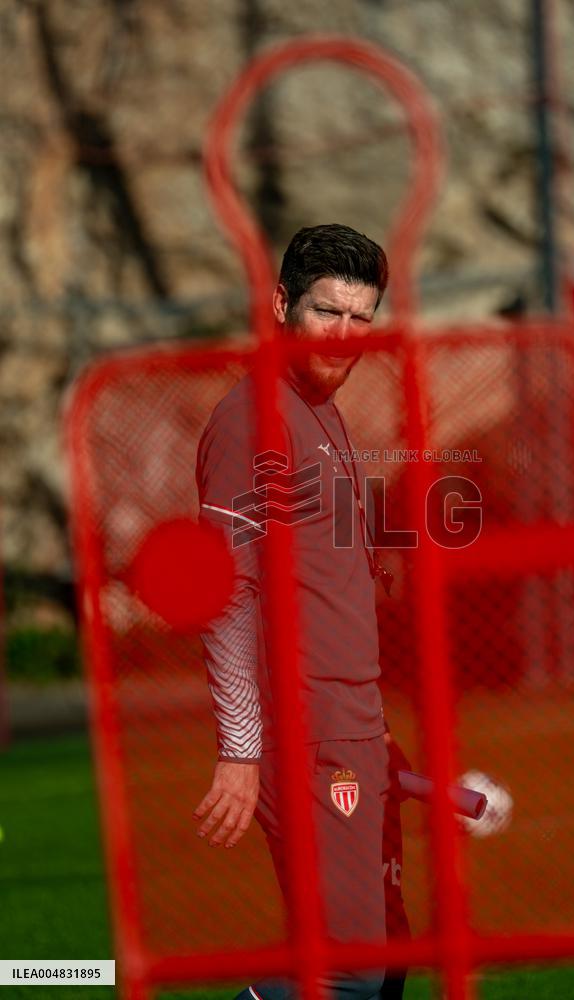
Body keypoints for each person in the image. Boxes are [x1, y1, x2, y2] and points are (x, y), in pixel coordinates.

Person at [193, 224, 409, 1000]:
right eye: (327, 312)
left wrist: (376, 728)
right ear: (281, 303)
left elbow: (325, 589)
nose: (346, 337)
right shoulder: (254, 416)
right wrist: (243, 750)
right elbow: (228, 594)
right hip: (303, 733)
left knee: (387, 957)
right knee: (348, 966)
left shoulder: (322, 407)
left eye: (362, 319)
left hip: (351, 722)